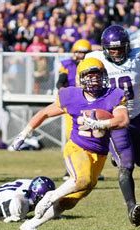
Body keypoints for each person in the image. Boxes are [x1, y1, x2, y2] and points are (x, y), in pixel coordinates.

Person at [10, 58, 130, 230]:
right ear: (81, 78)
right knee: (83, 179)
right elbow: (45, 113)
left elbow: (123, 120)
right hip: (77, 147)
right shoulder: (71, 96)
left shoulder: (113, 95)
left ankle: (31, 224)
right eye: (90, 75)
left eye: (98, 75)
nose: (95, 79)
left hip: (99, 153)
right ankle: (50, 196)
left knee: (70, 201)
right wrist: (24, 133)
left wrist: (101, 124)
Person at [85, 25, 140, 227]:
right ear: (105, 49)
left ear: (128, 46)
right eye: (112, 50)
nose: (117, 53)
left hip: (136, 117)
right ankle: (132, 207)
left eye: (120, 49)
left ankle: (118, 156)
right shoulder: (97, 62)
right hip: (114, 121)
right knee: (126, 165)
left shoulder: (138, 58)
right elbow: (85, 89)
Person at [56, 39, 104, 181]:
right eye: (78, 52)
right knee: (73, 137)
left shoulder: (94, 64)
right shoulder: (67, 65)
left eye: (84, 52)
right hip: (75, 106)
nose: (80, 55)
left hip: (92, 104)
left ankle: (93, 168)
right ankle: (70, 169)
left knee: (94, 136)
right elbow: (60, 83)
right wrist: (68, 97)